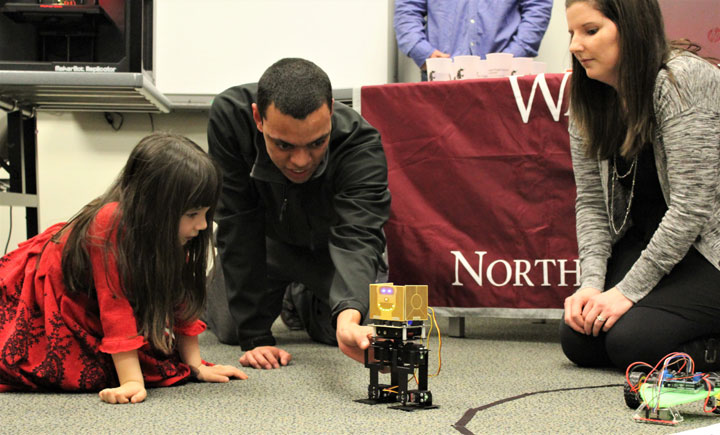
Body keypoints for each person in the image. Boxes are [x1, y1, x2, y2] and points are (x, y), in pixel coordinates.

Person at [0, 133, 247, 403]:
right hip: (43, 294)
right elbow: (114, 307)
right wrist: (131, 381)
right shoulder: (109, 222)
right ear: (154, 207)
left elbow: (181, 300)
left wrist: (196, 365)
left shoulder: (172, 234)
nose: (202, 226)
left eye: (205, 213)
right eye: (192, 215)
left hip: (87, 299)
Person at [560, 0, 720, 371]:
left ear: (630, 27)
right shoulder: (589, 96)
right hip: (654, 243)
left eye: (590, 31)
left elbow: (691, 207)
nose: (574, 46)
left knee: (635, 344)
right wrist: (592, 285)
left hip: (707, 248)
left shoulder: (683, 80)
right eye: (572, 33)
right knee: (581, 338)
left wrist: (627, 292)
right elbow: (591, 204)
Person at [206, 58, 391, 370]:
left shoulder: (361, 143)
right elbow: (237, 220)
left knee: (350, 330)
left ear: (331, 111)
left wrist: (348, 320)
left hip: (329, 248)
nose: (301, 161)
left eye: (317, 143)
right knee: (232, 329)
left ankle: (298, 298)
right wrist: (255, 336)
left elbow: (357, 237)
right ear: (258, 118)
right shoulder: (230, 118)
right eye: (284, 145)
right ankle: (275, 293)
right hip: (265, 244)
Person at [393, 0, 553, 80]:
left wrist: (510, 59)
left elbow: (538, 7)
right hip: (441, 76)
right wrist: (422, 52)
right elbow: (407, 9)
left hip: (506, 79)